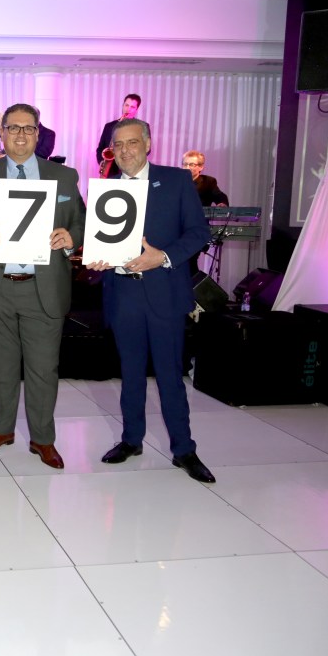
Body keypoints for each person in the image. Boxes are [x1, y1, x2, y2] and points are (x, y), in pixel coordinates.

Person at [0, 103, 85, 469]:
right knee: (1, 366)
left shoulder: (63, 176)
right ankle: (2, 429)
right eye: (13, 128)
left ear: (38, 134)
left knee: (44, 369)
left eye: (28, 128)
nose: (21, 134)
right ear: (3, 132)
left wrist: (70, 237)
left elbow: (82, 222)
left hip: (44, 287)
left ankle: (42, 438)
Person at [84, 118, 216, 483]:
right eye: (118, 145)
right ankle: (131, 440)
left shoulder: (175, 181)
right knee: (130, 375)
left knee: (170, 376)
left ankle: (184, 449)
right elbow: (100, 240)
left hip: (164, 293)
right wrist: (96, 257)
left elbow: (199, 232)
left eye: (132, 142)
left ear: (147, 144)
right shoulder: (106, 189)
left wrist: (164, 256)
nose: (125, 150)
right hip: (123, 294)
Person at [95, 93, 141, 178]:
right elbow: (100, 148)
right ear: (123, 106)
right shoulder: (109, 126)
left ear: (136, 109)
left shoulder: (142, 127)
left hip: (131, 170)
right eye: (126, 105)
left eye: (132, 107)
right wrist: (102, 161)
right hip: (111, 171)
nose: (128, 109)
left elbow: (147, 150)